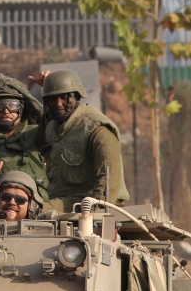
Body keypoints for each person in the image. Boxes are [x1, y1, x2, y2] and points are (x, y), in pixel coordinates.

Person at [39, 69, 128, 206]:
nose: (58, 103)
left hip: (88, 203)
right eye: (52, 98)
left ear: (77, 97)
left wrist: (95, 214)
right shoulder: (52, 128)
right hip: (59, 202)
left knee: (34, 211)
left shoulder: (97, 129)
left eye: (64, 97)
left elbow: (107, 182)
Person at [0, 73, 48, 196]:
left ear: (21, 109)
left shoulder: (37, 133)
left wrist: (49, 88)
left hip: (35, 210)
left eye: (12, 105)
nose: (6, 111)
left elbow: (57, 126)